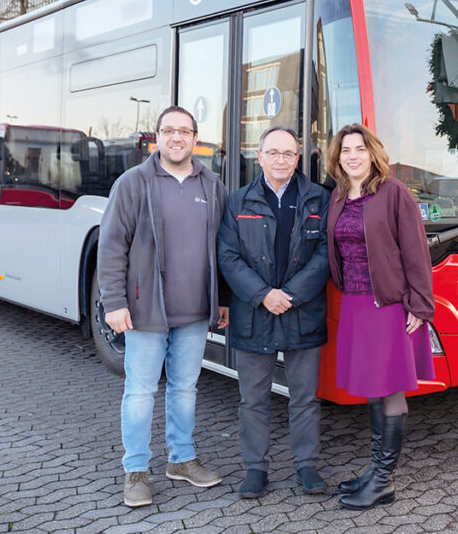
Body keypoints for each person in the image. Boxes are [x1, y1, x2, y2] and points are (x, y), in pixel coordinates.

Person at [98, 105, 229, 508]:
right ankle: (135, 471)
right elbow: (111, 246)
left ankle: (182, 459)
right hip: (144, 311)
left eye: (184, 131)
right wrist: (114, 302)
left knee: (185, 389)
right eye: (168, 130)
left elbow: (224, 248)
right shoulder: (133, 183)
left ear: (195, 138)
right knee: (139, 392)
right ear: (158, 137)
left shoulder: (212, 184)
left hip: (193, 313)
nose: (176, 137)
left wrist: (221, 300)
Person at [325, 123, 436, 510]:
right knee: (374, 388)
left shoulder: (393, 193)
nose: (352, 155)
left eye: (360, 148)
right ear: (337, 158)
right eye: (345, 150)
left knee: (390, 390)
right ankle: (375, 471)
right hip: (356, 305)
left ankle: (385, 481)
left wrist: (421, 306)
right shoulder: (339, 197)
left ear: (373, 153)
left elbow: (415, 250)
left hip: (388, 306)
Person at [218, 125, 331, 498]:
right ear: (260, 156)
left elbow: (325, 255)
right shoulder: (238, 201)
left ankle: (306, 465)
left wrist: (292, 295)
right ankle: (255, 469)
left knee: (305, 398)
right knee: (253, 398)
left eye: (288, 153)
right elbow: (228, 256)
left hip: (303, 311)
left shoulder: (319, 199)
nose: (281, 159)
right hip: (255, 313)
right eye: (273, 153)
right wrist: (264, 294)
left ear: (298, 159)